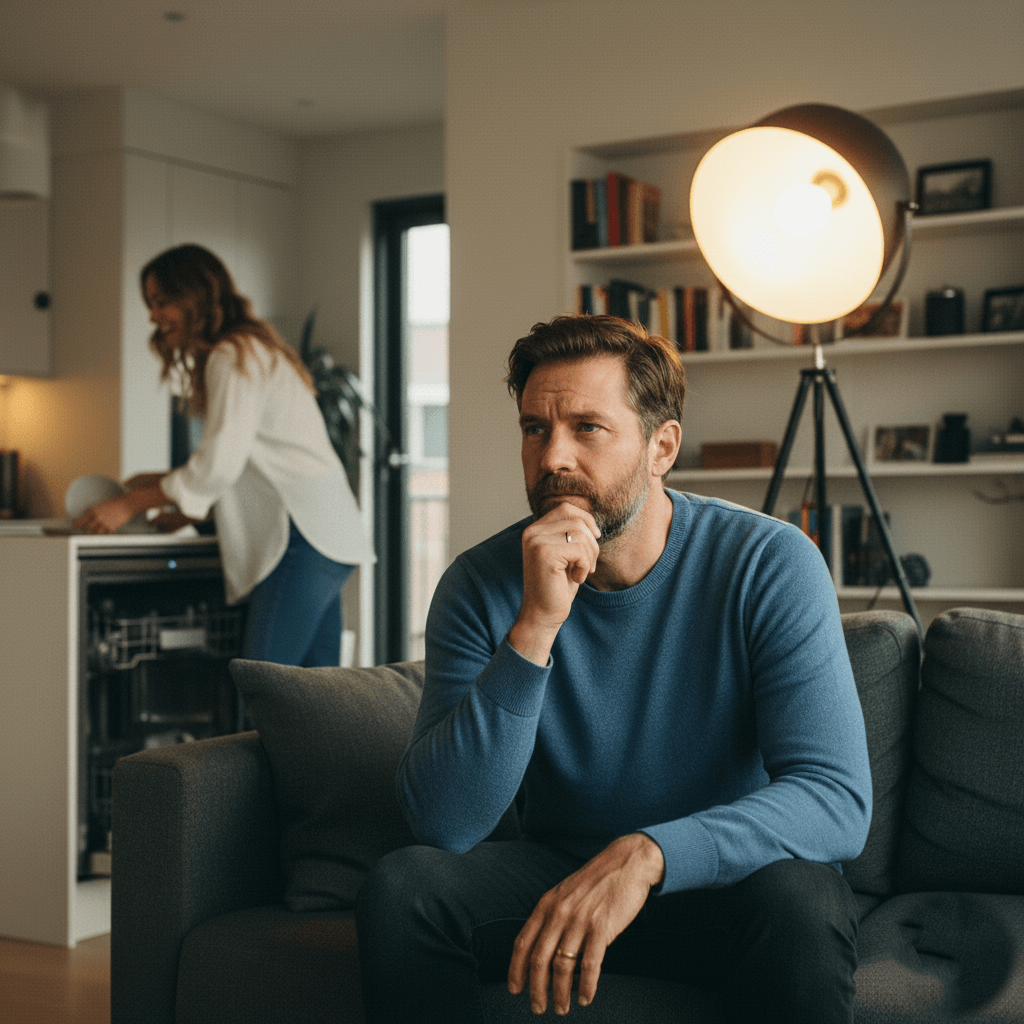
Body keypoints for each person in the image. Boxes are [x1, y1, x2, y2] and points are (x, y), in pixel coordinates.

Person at [356, 314, 872, 1023]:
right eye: (535, 429)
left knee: (803, 899)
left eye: (587, 428)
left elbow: (834, 799)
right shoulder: (482, 583)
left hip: (726, 887)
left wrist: (650, 854)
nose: (553, 457)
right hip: (559, 885)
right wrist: (535, 627)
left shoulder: (769, 563)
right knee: (403, 888)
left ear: (662, 447)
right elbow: (444, 824)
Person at [74, 243, 374, 667]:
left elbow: (218, 464)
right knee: (315, 699)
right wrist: (183, 504)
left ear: (194, 296)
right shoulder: (253, 349)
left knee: (263, 687)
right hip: (328, 535)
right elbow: (250, 465)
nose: (153, 317)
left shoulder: (231, 355)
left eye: (162, 302)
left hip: (301, 538)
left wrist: (130, 503)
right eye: (151, 305)